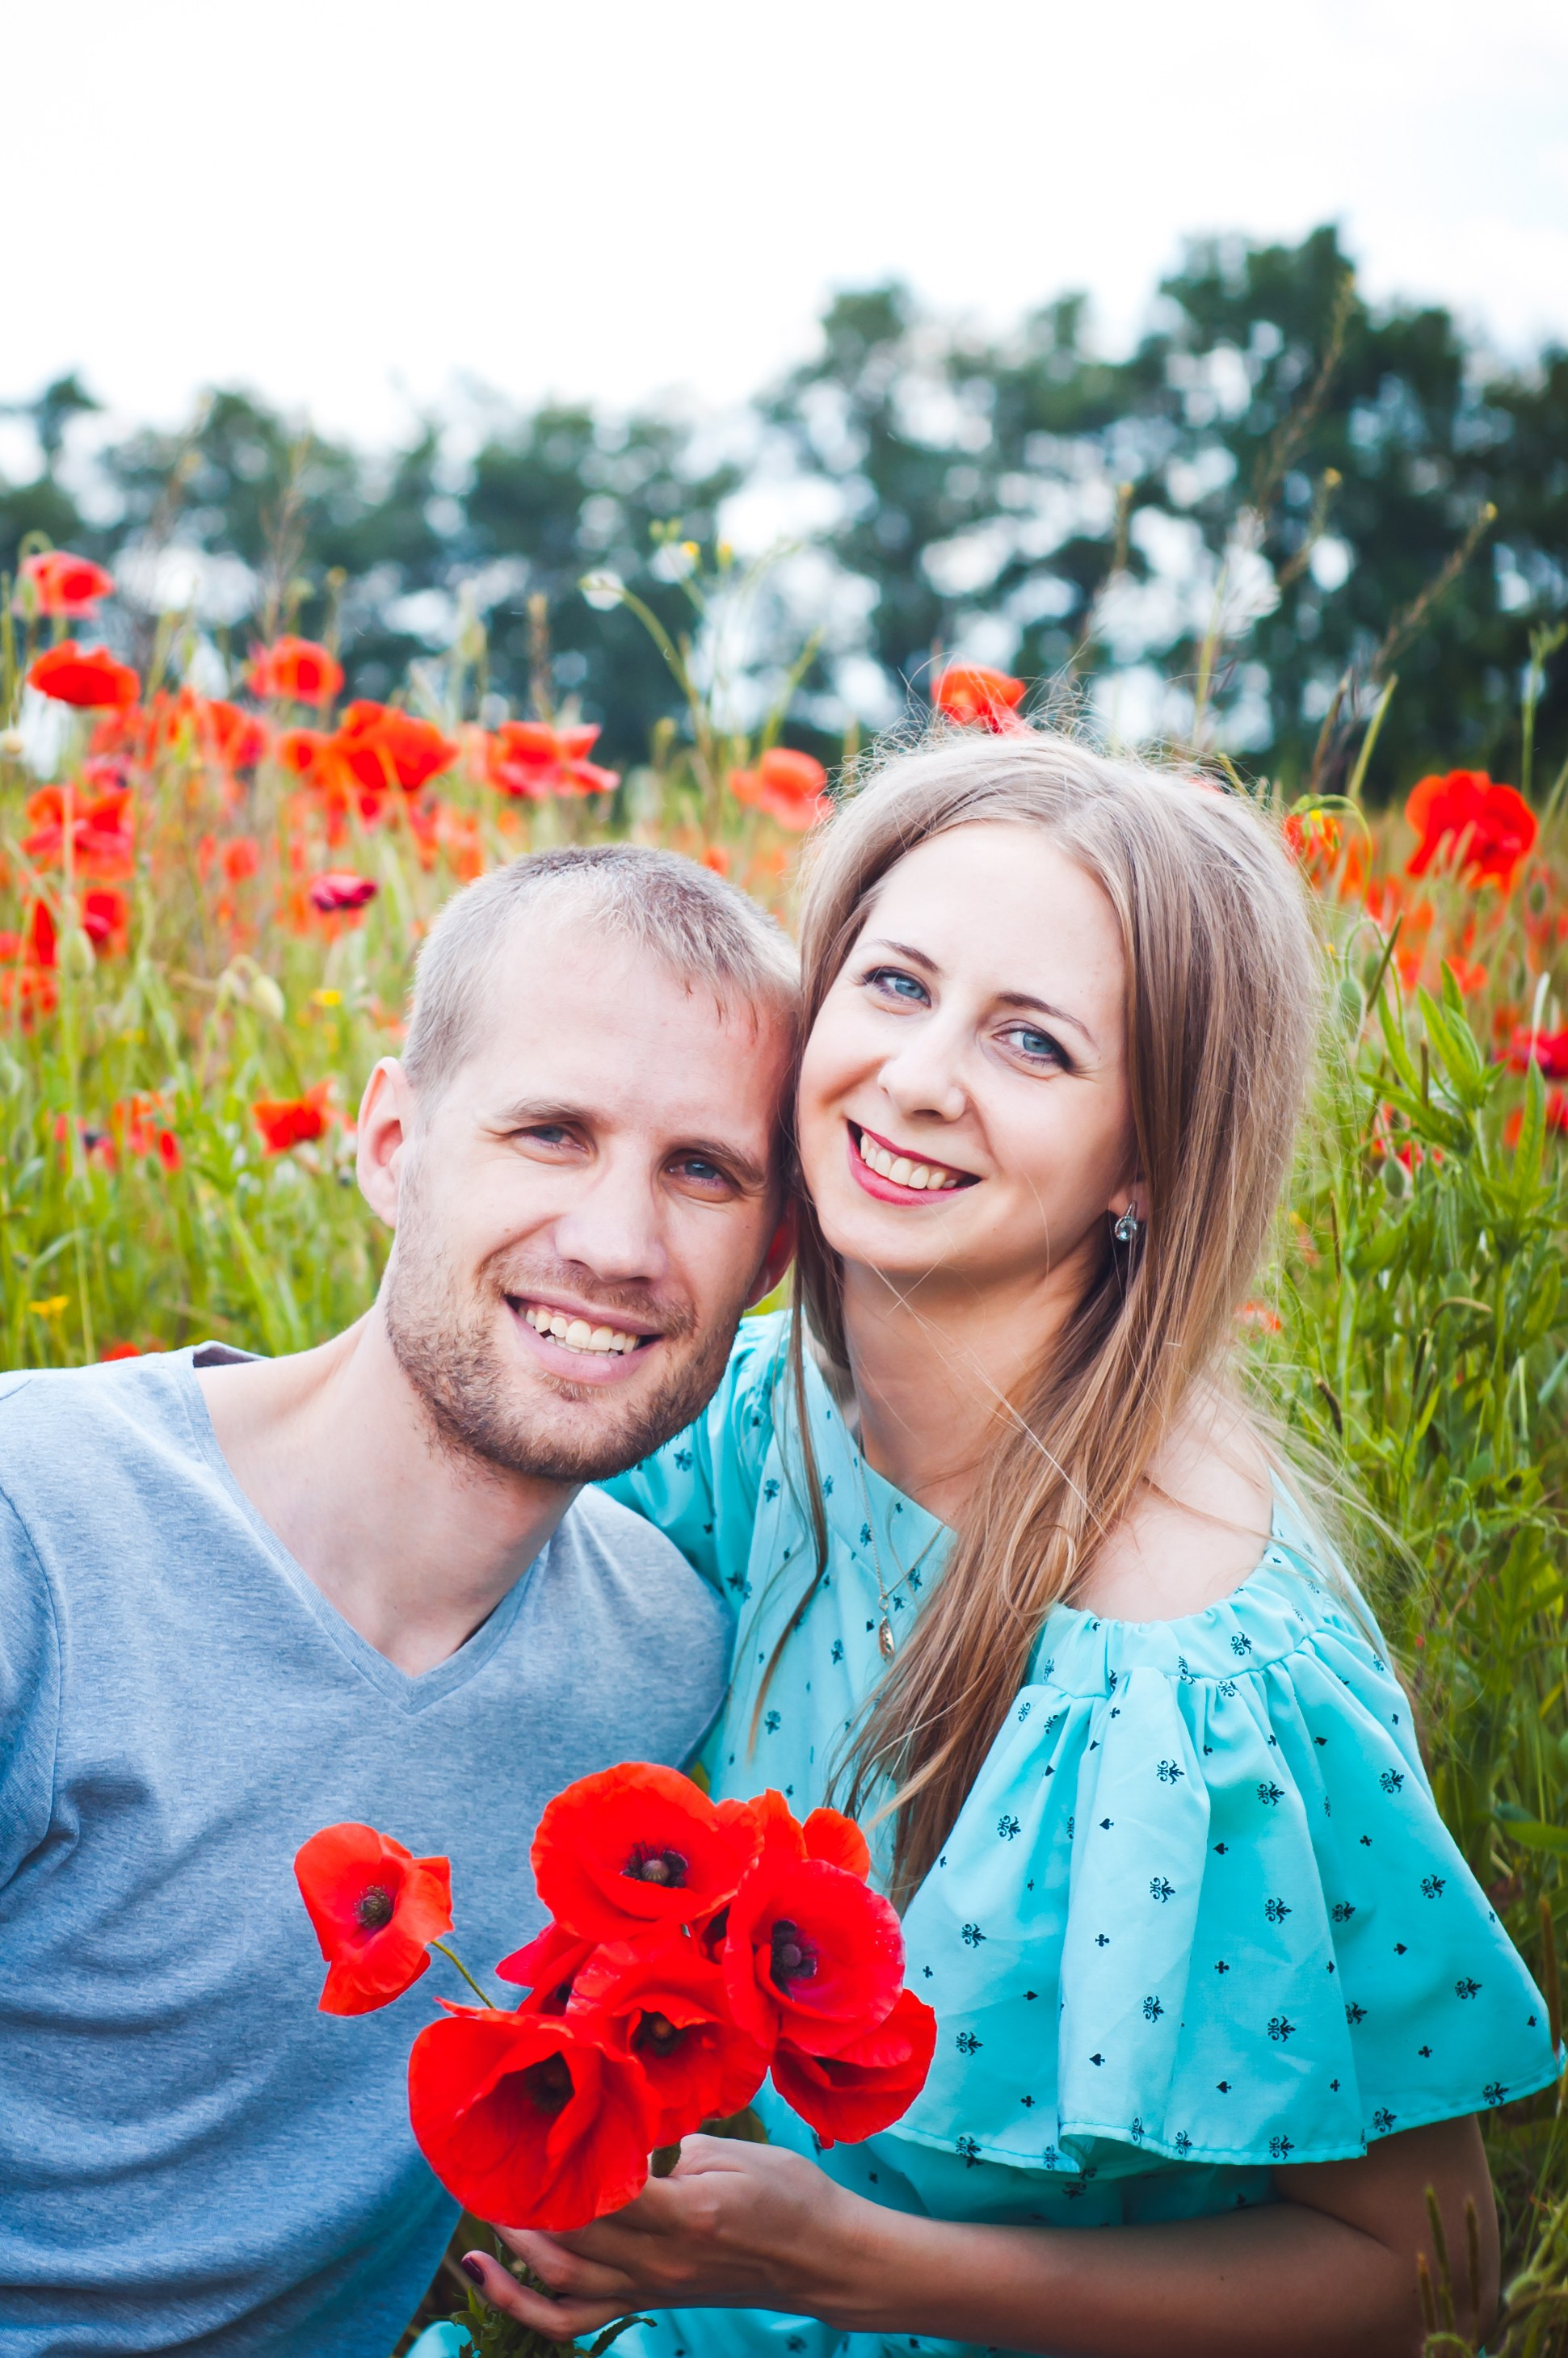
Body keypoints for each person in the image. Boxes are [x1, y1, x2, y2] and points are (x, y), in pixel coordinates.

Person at [461, 733, 1559, 2358]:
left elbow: (1427, 2268)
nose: (915, 1076)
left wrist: (841, 2261)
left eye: (1031, 1042)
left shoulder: (1203, 1671)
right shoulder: (748, 1417)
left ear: (1144, 1160)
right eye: (892, 982)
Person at [0, 844, 797, 2358]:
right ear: (389, 1142)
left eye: (703, 1171)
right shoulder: (35, 1533)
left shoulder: (659, 1663)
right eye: (551, 1132)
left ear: (768, 1257)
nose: (618, 1244)